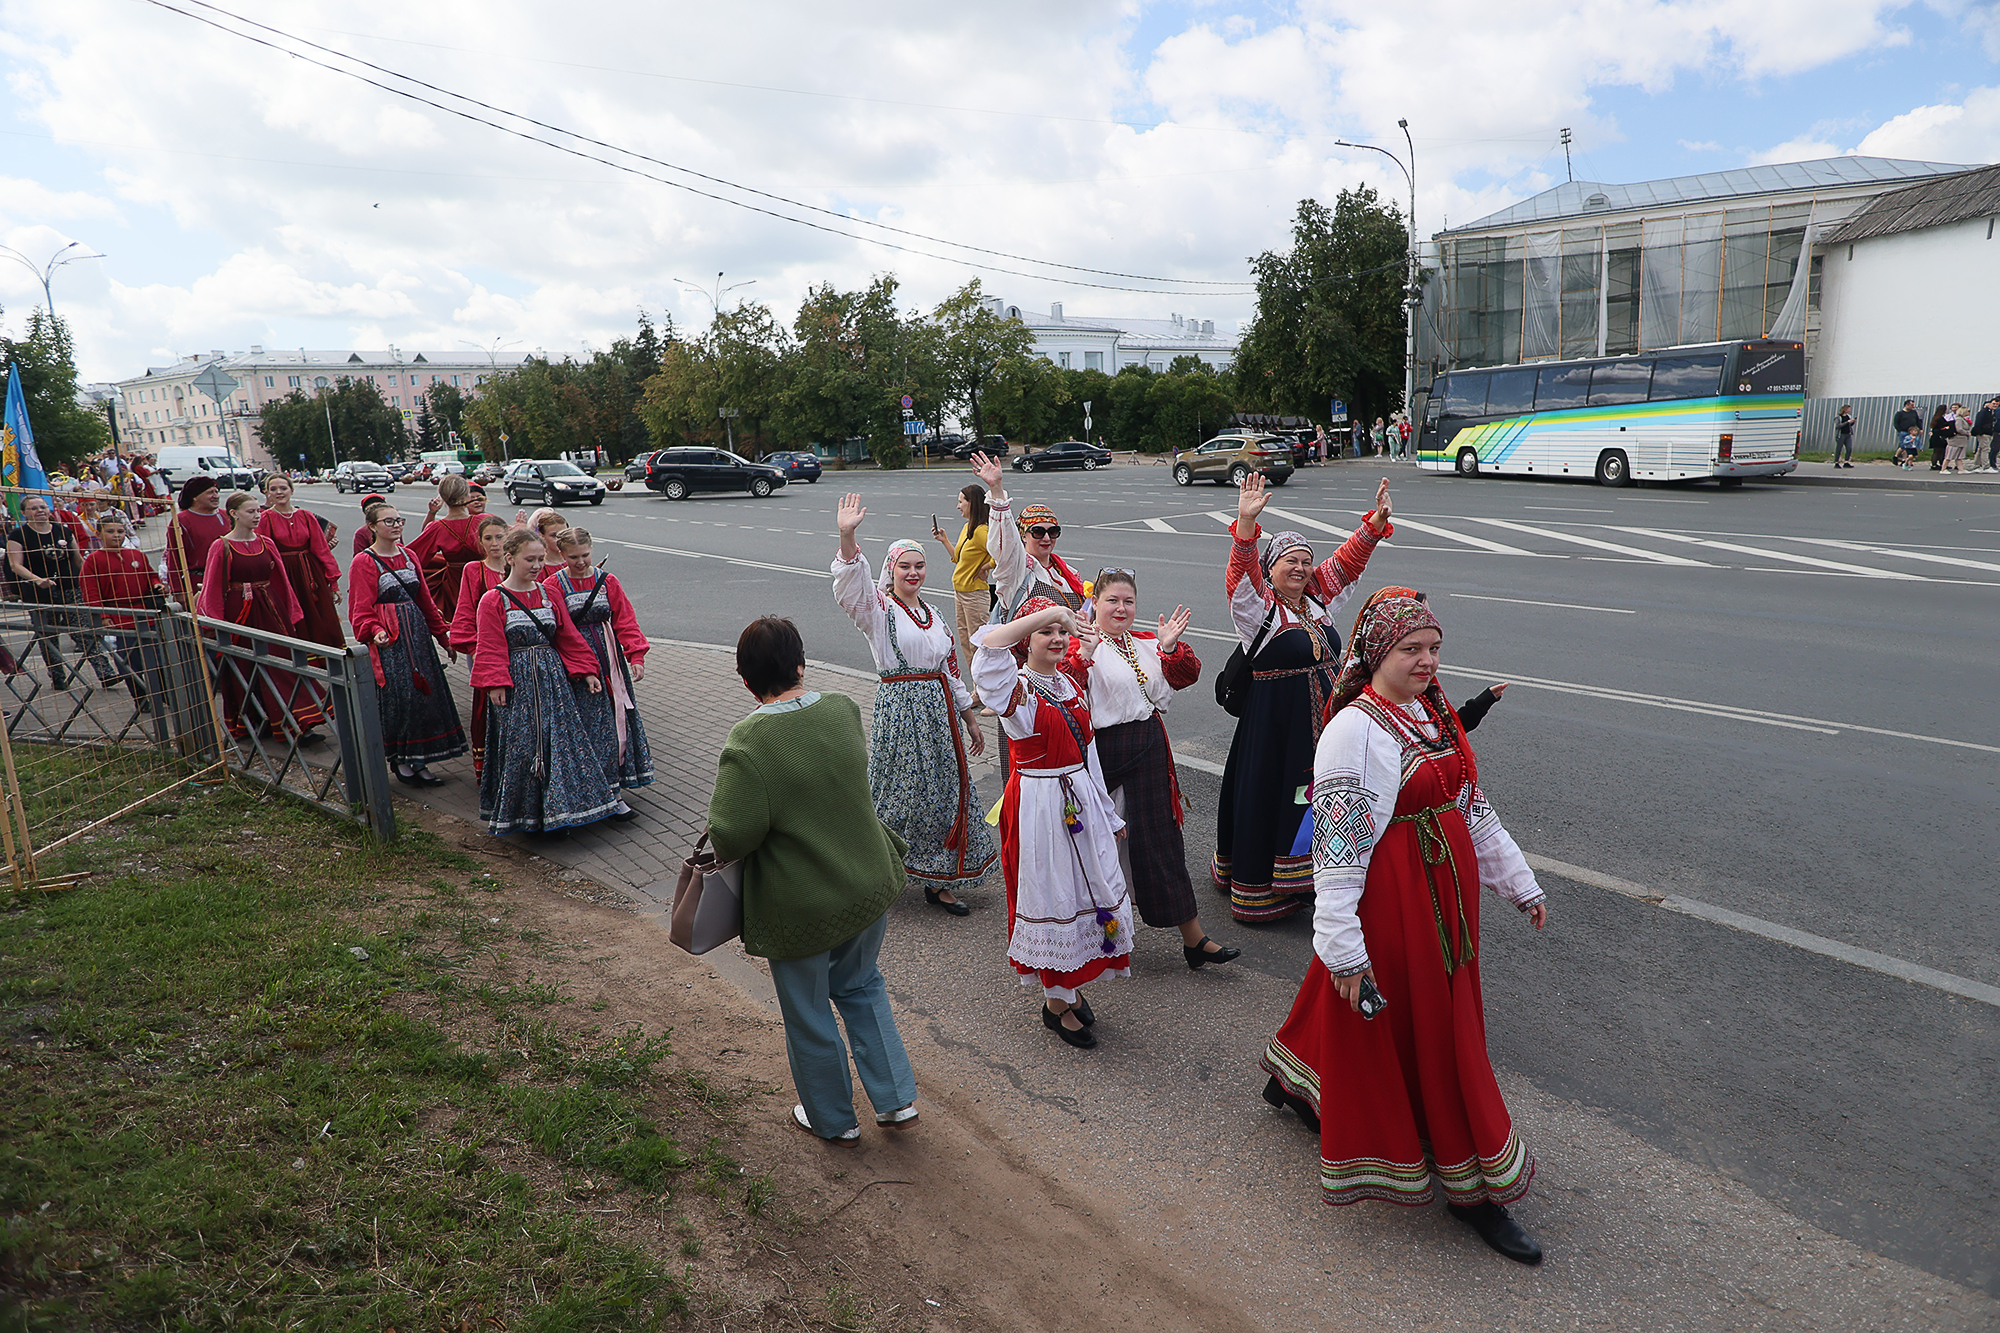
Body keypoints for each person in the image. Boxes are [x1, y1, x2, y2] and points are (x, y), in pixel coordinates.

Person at [1258, 587, 1549, 1265]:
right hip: (1396, 903)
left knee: (1385, 1014)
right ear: (1376, 653)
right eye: (1410, 649)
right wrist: (1343, 948)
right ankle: (1473, 1187)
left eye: (1434, 648)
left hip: (1443, 902)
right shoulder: (1354, 731)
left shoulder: (1429, 712)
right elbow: (1338, 851)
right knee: (1438, 1032)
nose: (1426, 660)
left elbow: (1471, 807)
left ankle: (1295, 1078)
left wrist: (1518, 882)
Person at [707, 615, 919, 1142]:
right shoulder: (842, 708)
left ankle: (833, 1120)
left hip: (801, 903)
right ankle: (895, 1100)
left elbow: (730, 837)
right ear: (800, 664)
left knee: (808, 1010)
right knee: (862, 985)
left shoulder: (748, 741)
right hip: (867, 881)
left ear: (746, 680)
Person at [1215, 472, 1394, 923]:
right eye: (1289, 561)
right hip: (1275, 728)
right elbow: (1240, 576)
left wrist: (1375, 523)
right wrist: (1246, 526)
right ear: (1270, 568)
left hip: (1322, 726)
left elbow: (1347, 563)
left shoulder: (1316, 603)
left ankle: (1317, 878)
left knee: (1322, 798)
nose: (1300, 568)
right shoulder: (1258, 609)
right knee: (1276, 796)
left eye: (1306, 562)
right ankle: (1262, 889)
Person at [971, 599, 1133, 1050]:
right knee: (1053, 893)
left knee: (1084, 890)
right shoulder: (1017, 690)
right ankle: (1056, 1001)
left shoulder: (1068, 684)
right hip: (1040, 806)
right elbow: (988, 646)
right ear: (1028, 640)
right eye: (1047, 632)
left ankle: (1068, 988)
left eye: (1063, 632)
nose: (1058, 638)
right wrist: (1052, 612)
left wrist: (1107, 812)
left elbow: (1089, 754)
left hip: (1079, 799)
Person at [833, 495, 996, 915]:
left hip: (938, 715)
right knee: (898, 793)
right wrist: (847, 536)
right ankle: (877, 872)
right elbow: (851, 585)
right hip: (901, 711)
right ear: (891, 570)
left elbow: (951, 670)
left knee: (941, 792)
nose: (913, 572)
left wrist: (969, 719)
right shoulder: (879, 609)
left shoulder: (935, 615)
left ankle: (938, 880)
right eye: (904, 566)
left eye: (919, 565)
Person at [1077, 568, 1238, 968]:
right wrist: (1083, 655)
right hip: (1105, 754)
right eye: (1112, 600)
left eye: (1128, 601)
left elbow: (1187, 676)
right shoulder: (1082, 644)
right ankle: (1099, 937)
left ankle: (1194, 939)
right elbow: (1066, 692)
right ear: (1095, 603)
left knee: (1162, 844)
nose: (1121, 608)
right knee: (1101, 848)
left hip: (1149, 748)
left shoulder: (1146, 643)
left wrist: (1169, 647)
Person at [472, 529, 615, 836]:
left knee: (558, 743)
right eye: (530, 559)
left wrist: (587, 670)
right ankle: (526, 816)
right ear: (510, 558)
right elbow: (490, 644)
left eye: (540, 559)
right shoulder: (493, 599)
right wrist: (495, 682)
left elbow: (566, 636)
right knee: (523, 747)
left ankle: (559, 813)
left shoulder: (549, 595)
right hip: (517, 683)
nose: (537, 565)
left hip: (552, 680)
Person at [349, 502, 467, 786]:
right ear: (372, 527)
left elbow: (425, 600)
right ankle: (400, 759)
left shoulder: (409, 555)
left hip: (418, 637)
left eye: (399, 520)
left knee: (425, 697)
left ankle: (420, 759)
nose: (397, 525)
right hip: (391, 642)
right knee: (401, 699)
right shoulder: (364, 561)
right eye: (389, 521)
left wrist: (443, 637)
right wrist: (374, 630)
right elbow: (360, 609)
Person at [198, 491, 325, 744]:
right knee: (244, 668)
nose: (257, 516)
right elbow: (212, 586)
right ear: (233, 514)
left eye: (258, 511)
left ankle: (298, 724)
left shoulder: (266, 543)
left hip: (270, 611)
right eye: (250, 511)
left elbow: (282, 581)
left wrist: (290, 613)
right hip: (240, 614)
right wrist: (216, 623)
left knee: (281, 664)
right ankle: (255, 722)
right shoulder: (221, 546)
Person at [546, 527, 650, 814]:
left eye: (585, 555)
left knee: (614, 722)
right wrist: (579, 666)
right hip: (575, 665)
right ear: (561, 554)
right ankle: (589, 790)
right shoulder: (553, 585)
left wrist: (636, 655)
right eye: (573, 557)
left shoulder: (607, 581)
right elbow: (559, 630)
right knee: (588, 725)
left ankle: (614, 791)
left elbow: (625, 620)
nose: (580, 562)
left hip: (609, 660)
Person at [971, 453, 1089, 618]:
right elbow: (1004, 541)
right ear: (1023, 535)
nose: (1046, 538)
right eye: (1038, 532)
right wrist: (996, 488)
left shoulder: (1068, 572)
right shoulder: (1016, 569)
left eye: (1053, 532)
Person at [80, 510, 168, 709]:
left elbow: (151, 575)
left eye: (120, 531)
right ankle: (141, 699)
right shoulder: (93, 560)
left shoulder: (137, 555)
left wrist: (156, 585)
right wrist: (102, 616)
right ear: (99, 534)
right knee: (129, 662)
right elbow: (91, 593)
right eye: (110, 531)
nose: (116, 535)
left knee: (157, 658)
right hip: (118, 616)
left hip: (145, 615)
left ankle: (164, 695)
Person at [450, 514, 511, 784]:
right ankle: (493, 770)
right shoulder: (474, 570)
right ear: (480, 542)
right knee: (491, 708)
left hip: (518, 651)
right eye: (489, 538)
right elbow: (465, 610)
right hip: (488, 650)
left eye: (500, 537)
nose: (495, 543)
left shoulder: (520, 566)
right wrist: (475, 648)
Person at [256, 474, 344, 650]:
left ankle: (327, 658)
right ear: (267, 493)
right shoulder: (265, 519)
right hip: (284, 576)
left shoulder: (306, 516)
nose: (279, 492)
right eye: (273, 489)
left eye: (283, 488)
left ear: (291, 490)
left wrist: (333, 583)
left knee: (322, 617)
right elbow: (262, 554)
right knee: (294, 620)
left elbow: (322, 550)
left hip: (310, 574)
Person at [8, 494, 86, 687]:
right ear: (24, 513)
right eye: (34, 508)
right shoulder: (18, 535)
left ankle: (105, 673)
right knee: (48, 635)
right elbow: (16, 565)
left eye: (43, 507)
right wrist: (37, 580)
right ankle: (58, 677)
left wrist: (88, 579)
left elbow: (77, 559)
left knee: (84, 631)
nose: (40, 511)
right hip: (40, 593)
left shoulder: (63, 530)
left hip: (70, 588)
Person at [405, 474, 484, 622]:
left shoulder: (437, 528)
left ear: (443, 497)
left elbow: (413, 555)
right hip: (484, 579)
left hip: (455, 585)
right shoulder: (483, 521)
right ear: (467, 496)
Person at [933, 484, 994, 664]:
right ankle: (975, 681)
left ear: (972, 503)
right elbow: (959, 558)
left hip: (975, 595)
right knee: (966, 644)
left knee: (979, 646)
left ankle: (983, 681)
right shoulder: (968, 527)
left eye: (961, 502)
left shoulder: (982, 531)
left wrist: (984, 567)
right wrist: (944, 541)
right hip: (961, 592)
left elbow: (1004, 555)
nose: (958, 506)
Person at [166, 475, 230, 605]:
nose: (216, 496)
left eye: (216, 492)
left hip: (228, 580)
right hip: (199, 584)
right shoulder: (181, 521)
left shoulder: (226, 516)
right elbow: (174, 558)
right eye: (210, 492)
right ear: (195, 497)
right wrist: (178, 591)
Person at [1892, 400, 1922, 470]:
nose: (1913, 406)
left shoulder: (1913, 413)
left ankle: (1904, 460)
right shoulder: (1900, 413)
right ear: (1906, 405)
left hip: (1911, 431)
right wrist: (1900, 430)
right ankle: (1896, 456)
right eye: (1911, 405)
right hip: (1903, 431)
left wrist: (1920, 428)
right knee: (1903, 445)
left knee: (1908, 446)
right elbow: (1896, 423)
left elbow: (1918, 421)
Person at [1975, 398, 1999, 473]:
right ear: (1989, 404)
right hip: (1984, 433)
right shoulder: (1984, 412)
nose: (1995, 405)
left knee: (1981, 449)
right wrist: (1980, 432)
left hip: (1988, 433)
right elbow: (1978, 422)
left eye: (1997, 404)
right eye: (1993, 403)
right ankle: (1985, 466)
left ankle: (1977, 465)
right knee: (1985, 449)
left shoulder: (1992, 413)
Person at [1928, 405, 1952, 472]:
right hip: (1939, 437)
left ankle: (1936, 464)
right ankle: (1936, 464)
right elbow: (1943, 426)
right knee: (1940, 451)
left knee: (1937, 451)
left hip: (1935, 436)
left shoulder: (1935, 418)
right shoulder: (1940, 419)